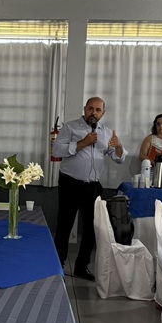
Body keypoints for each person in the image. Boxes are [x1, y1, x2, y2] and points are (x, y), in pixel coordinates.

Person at [53, 96, 126, 280]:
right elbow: (57, 151)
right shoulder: (70, 127)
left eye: (98, 110)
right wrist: (82, 143)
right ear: (84, 108)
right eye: (90, 108)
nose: (93, 112)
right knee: (64, 226)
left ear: (103, 113)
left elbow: (118, 158)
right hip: (70, 183)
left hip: (93, 187)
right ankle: (57, 265)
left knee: (91, 228)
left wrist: (118, 146)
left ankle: (81, 266)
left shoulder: (107, 132)